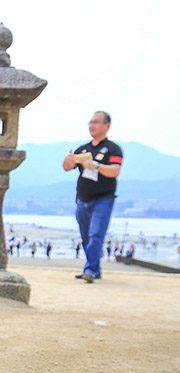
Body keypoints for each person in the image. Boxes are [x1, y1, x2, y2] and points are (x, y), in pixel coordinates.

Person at [63, 111, 123, 283]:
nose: (92, 125)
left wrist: (96, 165)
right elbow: (67, 167)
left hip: (103, 199)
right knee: (86, 237)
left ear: (107, 125)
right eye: (90, 122)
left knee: (96, 234)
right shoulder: (83, 149)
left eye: (96, 122)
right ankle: (94, 269)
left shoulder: (113, 148)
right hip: (82, 199)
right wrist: (69, 159)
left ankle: (89, 269)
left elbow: (115, 171)